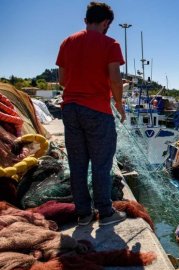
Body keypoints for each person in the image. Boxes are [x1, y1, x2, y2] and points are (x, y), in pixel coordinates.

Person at [56, 2, 127, 226]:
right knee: (101, 163)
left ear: (86, 20)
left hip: (70, 110)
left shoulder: (67, 42)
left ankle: (84, 214)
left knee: (77, 163)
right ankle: (105, 213)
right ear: (106, 23)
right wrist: (119, 102)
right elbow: (115, 79)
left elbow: (61, 80)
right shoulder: (110, 44)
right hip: (97, 111)